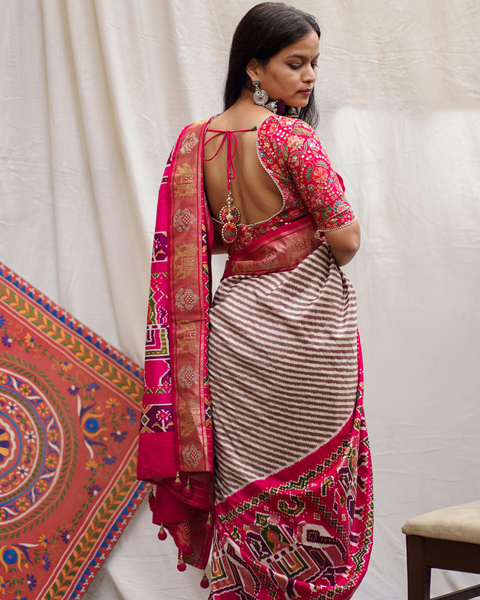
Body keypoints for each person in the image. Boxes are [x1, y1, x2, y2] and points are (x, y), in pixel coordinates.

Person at [137, 3, 373, 599]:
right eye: (296, 64)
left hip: (237, 331)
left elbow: (207, 242)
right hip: (308, 330)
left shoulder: (196, 143)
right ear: (254, 67)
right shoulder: (294, 139)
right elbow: (346, 241)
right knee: (315, 478)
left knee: (247, 478)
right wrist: (306, 233)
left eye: (314, 64)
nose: (310, 77)